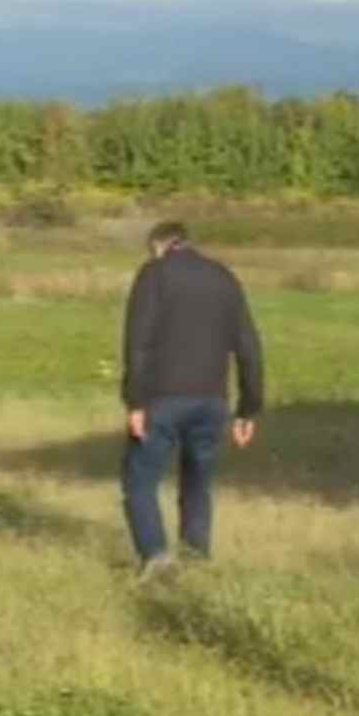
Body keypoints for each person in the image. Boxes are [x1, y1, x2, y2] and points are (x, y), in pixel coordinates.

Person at [121, 221, 264, 579]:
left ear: (158, 246)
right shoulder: (224, 277)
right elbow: (249, 347)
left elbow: (137, 342)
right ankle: (196, 558)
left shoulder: (154, 275)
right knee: (198, 481)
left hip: (163, 398)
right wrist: (248, 409)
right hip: (212, 400)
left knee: (139, 479)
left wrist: (135, 401)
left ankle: (156, 556)